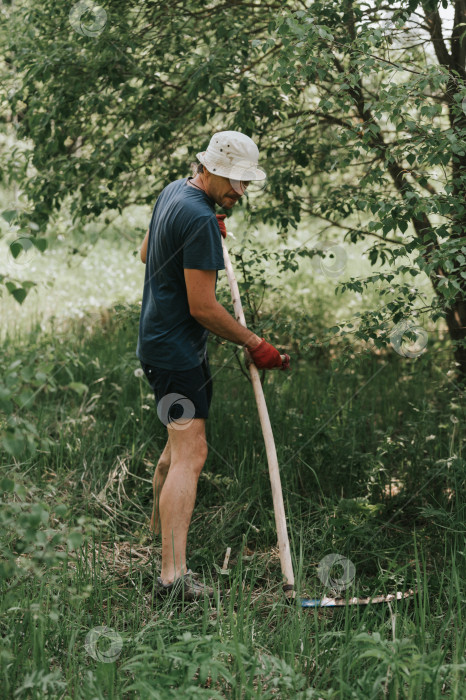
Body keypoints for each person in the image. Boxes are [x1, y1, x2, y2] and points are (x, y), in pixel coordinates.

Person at [136, 130, 290, 601]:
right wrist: (255, 344)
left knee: (174, 450)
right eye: (236, 182)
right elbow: (203, 307)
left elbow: (145, 254)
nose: (241, 192)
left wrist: (202, 232)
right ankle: (172, 578)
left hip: (163, 346)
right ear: (214, 168)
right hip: (176, 355)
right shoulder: (200, 217)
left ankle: (154, 542)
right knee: (191, 455)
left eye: (246, 183)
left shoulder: (173, 193)